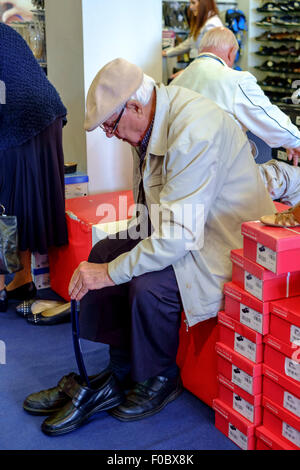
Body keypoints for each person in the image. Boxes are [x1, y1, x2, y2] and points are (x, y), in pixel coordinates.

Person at [23, 57, 275, 436]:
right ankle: (120, 369)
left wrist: (112, 273)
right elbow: (150, 212)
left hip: (223, 245)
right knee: (106, 250)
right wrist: (113, 260)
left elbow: (179, 238)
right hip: (186, 229)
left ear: (136, 106)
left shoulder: (194, 131)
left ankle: (159, 377)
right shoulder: (147, 125)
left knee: (147, 284)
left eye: (110, 125)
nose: (110, 134)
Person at [0, 23, 68, 312]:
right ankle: (26, 281)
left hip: (20, 117)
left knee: (7, 203)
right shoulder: (5, 31)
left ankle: (3, 285)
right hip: (47, 112)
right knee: (32, 200)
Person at [171, 26, 300, 171]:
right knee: (293, 180)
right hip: (221, 172)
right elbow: (265, 115)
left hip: (179, 168)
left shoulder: (177, 81)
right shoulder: (235, 80)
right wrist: (295, 140)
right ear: (232, 53)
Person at [162, 0, 222, 65]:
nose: (190, 7)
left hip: (202, 67)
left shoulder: (211, 25)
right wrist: (168, 53)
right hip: (198, 65)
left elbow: (211, 57)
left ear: (204, 3)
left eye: (193, 3)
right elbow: (190, 42)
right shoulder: (205, 22)